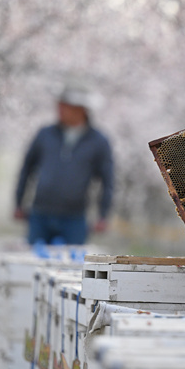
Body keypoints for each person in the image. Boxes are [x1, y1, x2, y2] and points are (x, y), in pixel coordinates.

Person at [14, 80, 115, 245]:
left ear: (81, 109)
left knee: (72, 266)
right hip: (40, 214)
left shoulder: (99, 142)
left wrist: (103, 215)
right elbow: (26, 169)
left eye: (65, 105)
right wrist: (19, 202)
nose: (59, 109)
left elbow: (107, 181)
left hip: (74, 218)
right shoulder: (45, 135)